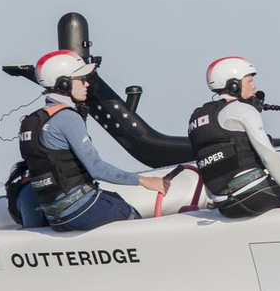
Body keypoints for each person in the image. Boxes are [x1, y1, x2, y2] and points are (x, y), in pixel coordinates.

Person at [17, 50, 171, 231]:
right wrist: (145, 181)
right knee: (128, 214)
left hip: (55, 216)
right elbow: (97, 169)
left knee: (112, 199)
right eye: (81, 79)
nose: (87, 84)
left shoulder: (33, 121)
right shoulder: (67, 117)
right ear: (64, 84)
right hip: (80, 210)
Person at [188, 56, 280, 217]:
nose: (255, 87)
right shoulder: (243, 110)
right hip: (253, 197)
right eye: (249, 81)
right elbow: (268, 157)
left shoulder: (197, 117)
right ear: (233, 85)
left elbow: (206, 161)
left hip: (224, 206)